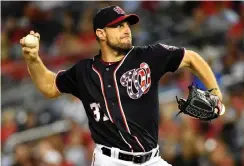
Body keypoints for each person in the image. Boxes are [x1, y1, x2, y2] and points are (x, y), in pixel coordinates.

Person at [20, 5, 223, 166]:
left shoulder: (148, 56)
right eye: (117, 26)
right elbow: (49, 87)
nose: (126, 30)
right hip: (111, 161)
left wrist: (215, 92)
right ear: (101, 34)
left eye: (127, 25)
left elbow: (192, 58)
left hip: (151, 159)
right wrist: (33, 60)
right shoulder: (84, 71)